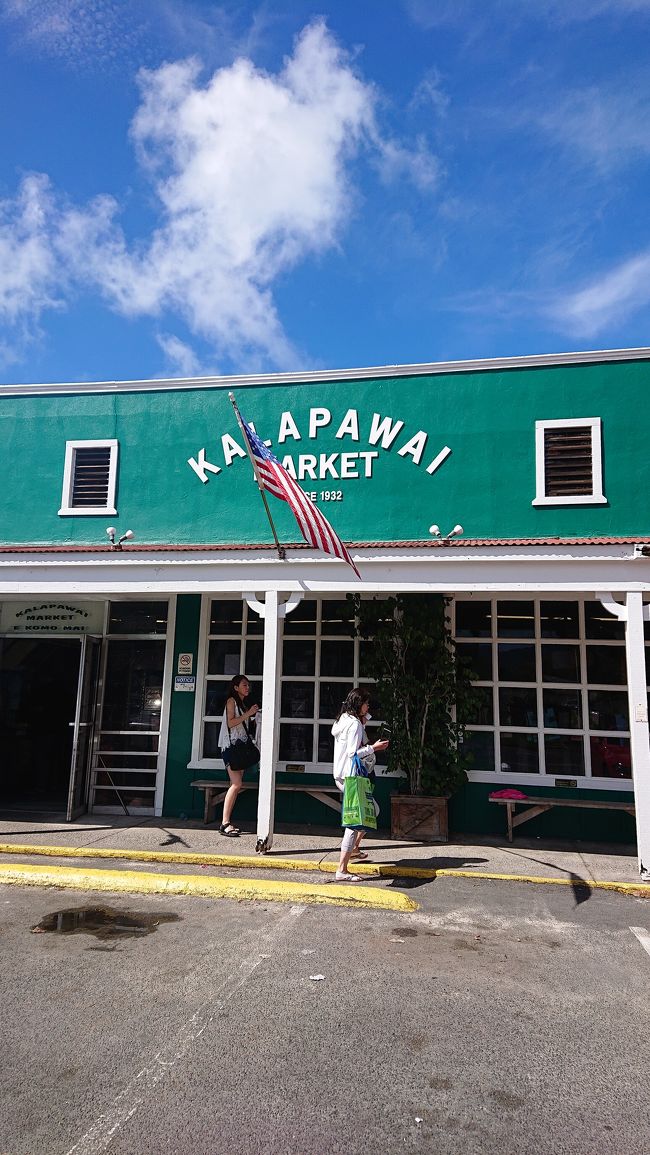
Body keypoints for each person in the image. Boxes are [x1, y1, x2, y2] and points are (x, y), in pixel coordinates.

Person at [331, 688, 389, 881]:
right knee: (354, 822)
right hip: (351, 776)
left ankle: (354, 849)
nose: (368, 706)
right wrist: (374, 748)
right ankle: (342, 869)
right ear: (358, 704)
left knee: (372, 812)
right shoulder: (354, 724)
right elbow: (352, 753)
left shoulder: (344, 720)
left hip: (342, 774)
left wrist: (363, 723)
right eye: (366, 703)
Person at [217, 674, 260, 837]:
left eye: (248, 685)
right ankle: (225, 823)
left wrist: (252, 716)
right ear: (235, 687)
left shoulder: (242, 703)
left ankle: (227, 821)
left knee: (235, 785)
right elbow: (231, 722)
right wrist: (249, 713)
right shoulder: (231, 701)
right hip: (231, 747)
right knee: (236, 784)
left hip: (239, 747)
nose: (247, 688)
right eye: (244, 685)